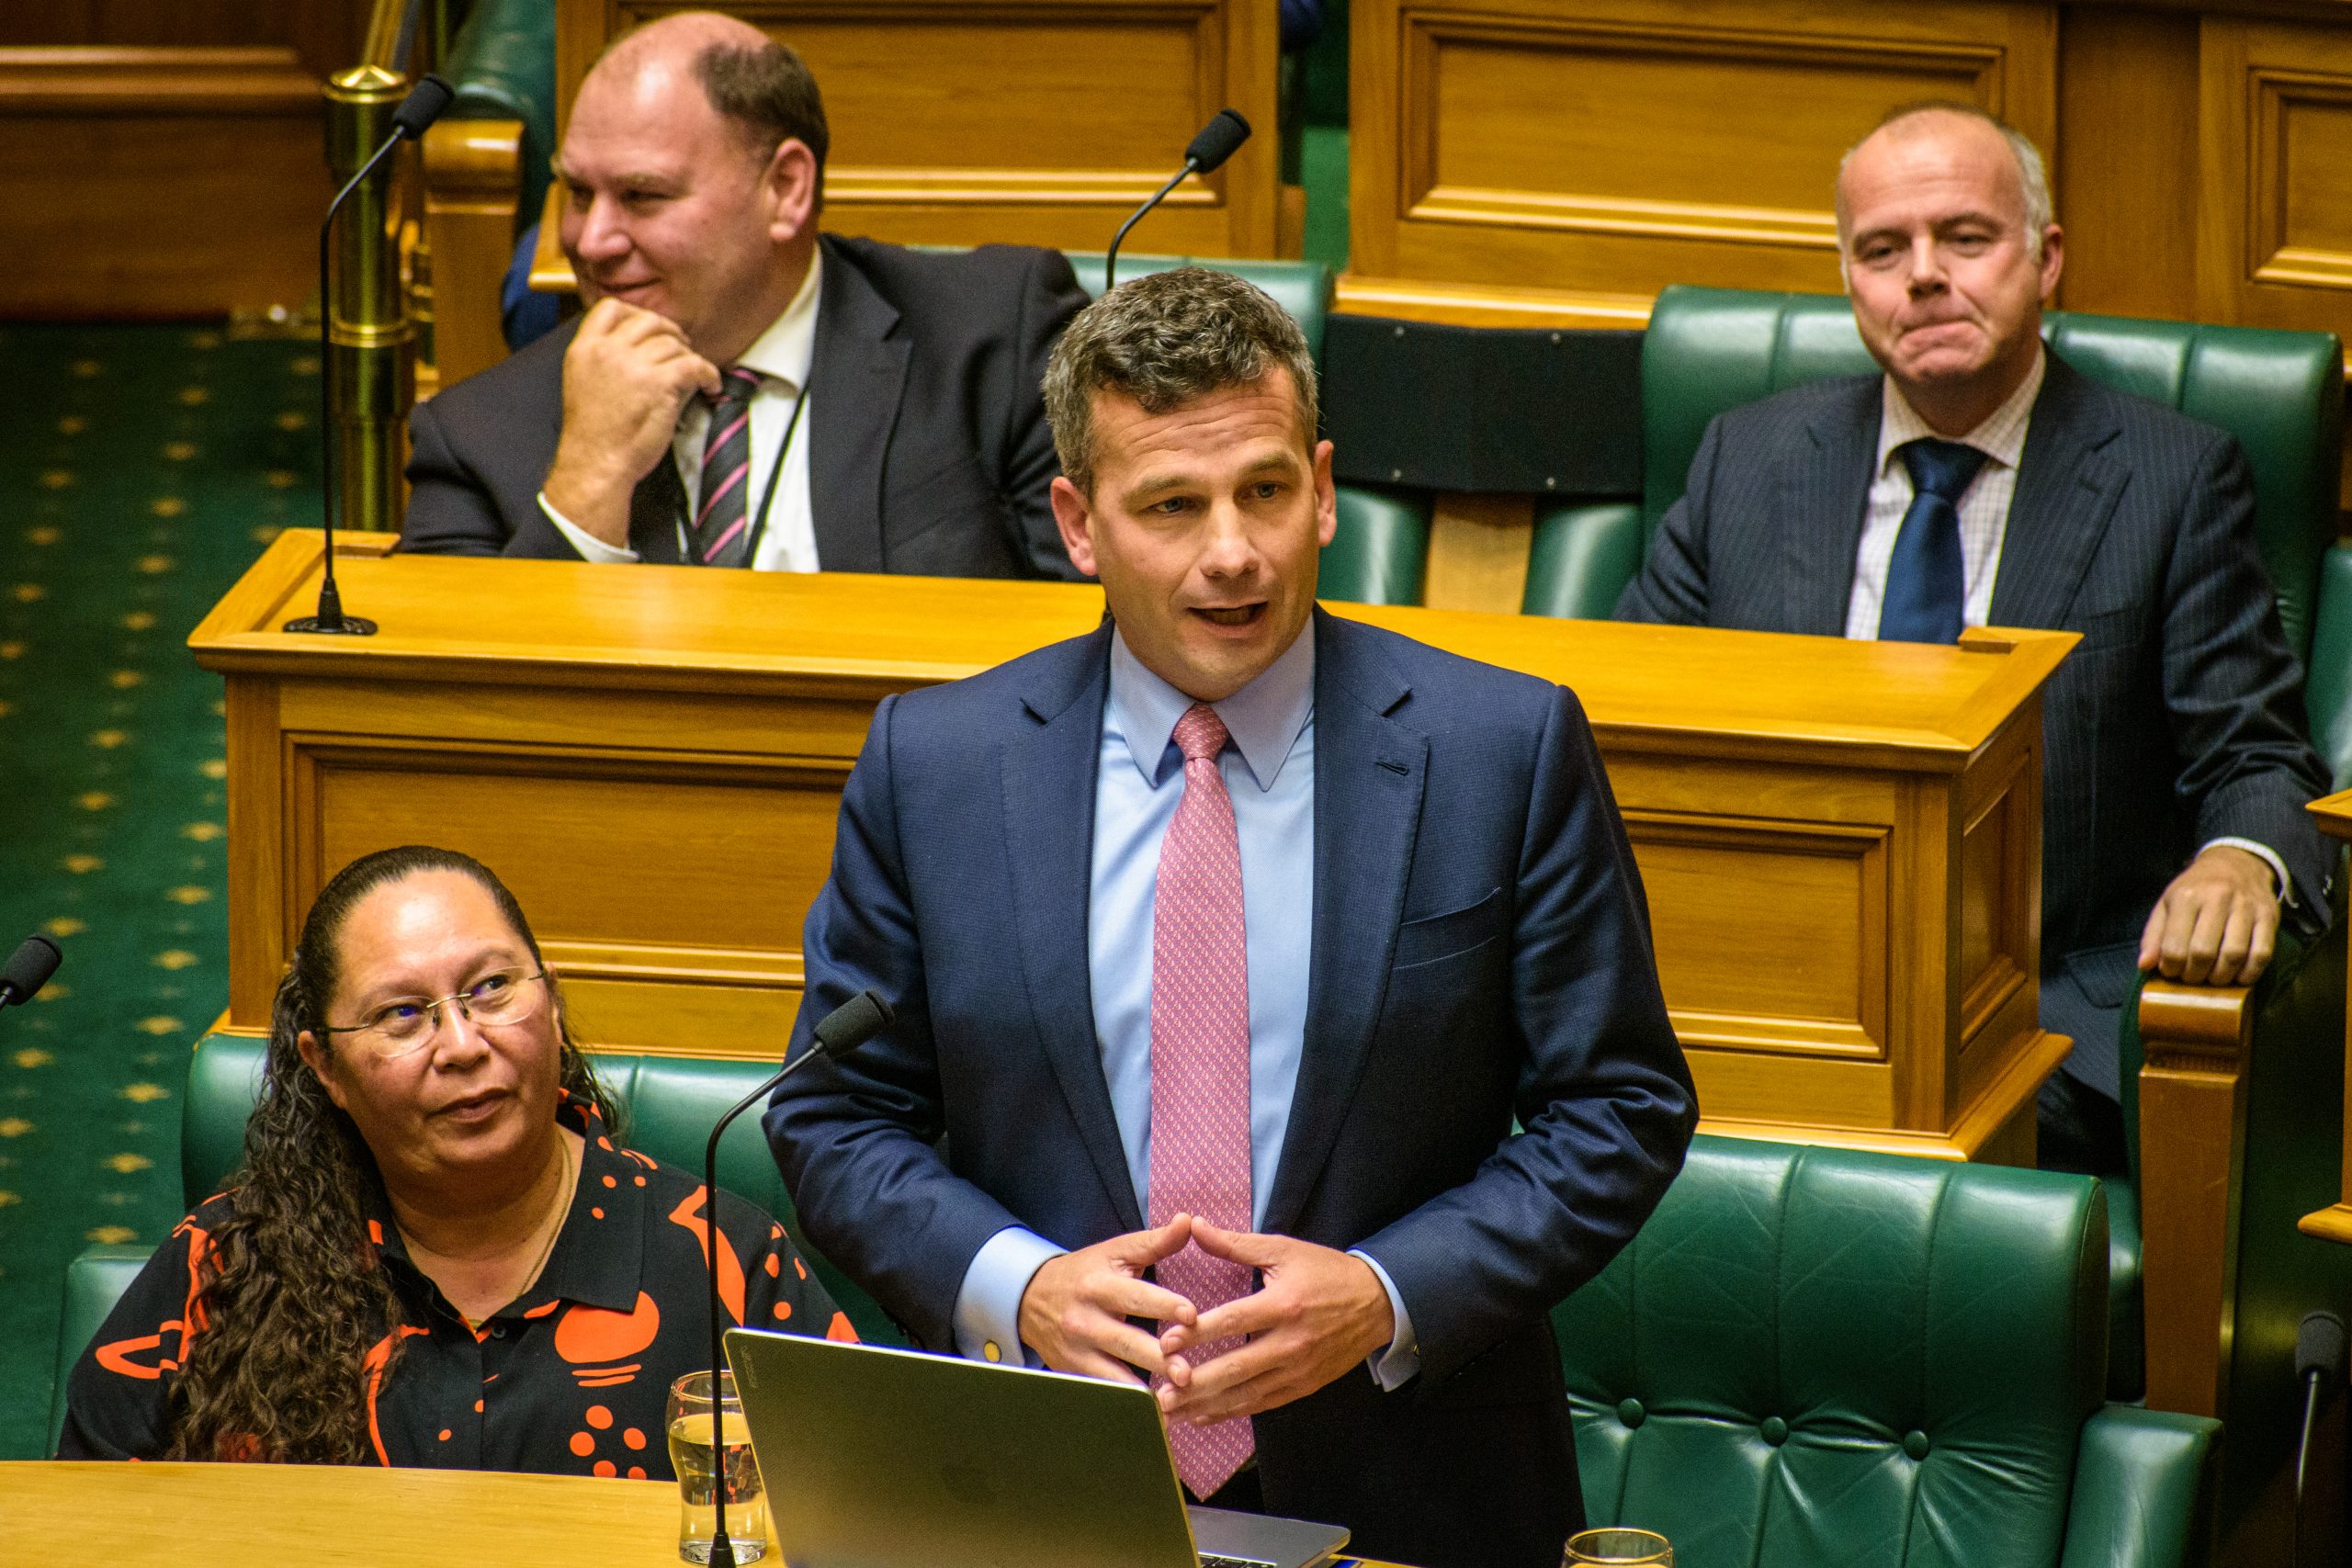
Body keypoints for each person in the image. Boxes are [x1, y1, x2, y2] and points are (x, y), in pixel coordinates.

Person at [765, 268, 1697, 1568]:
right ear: (1078, 524)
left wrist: (1386, 1293)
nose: (1233, 552)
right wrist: (1018, 1285)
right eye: (1171, 504)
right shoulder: (939, 766)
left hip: (1416, 1478)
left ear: (1324, 488)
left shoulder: (1500, 748)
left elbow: (1620, 1107)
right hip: (1046, 1480)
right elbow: (834, 1114)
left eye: (1264, 490)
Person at [1616, 101, 2334, 1173]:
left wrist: (2238, 861)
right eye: (1881, 250)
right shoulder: (1747, 461)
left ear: (2044, 258)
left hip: (2039, 1007)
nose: (1922, 276)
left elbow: (2253, 754)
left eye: (1963, 237)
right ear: (1848, 279)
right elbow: (1625, 718)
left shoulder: (2172, 479)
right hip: (1772, 994)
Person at [59, 844, 850, 1469]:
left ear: (552, 1001)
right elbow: (90, 1526)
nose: (464, 1045)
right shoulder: (223, 1269)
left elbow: (864, 1518)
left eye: (493, 987)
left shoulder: (724, 1262)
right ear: (325, 1066)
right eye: (403, 1014)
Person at [401, 11, 1088, 581]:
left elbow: (1092, 630)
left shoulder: (995, 344)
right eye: (579, 193)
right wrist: (588, 482)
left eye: (642, 195)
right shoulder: (475, 435)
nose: (591, 239)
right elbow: (445, 688)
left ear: (786, 188)